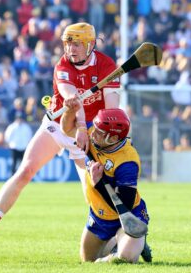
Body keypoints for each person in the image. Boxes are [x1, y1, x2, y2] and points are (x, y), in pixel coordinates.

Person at [0, 22, 121, 245]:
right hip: (57, 126)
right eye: (68, 44)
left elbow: (112, 109)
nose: (71, 49)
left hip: (89, 133)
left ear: (89, 45)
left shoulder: (107, 66)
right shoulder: (62, 66)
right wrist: (79, 127)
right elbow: (72, 99)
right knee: (25, 171)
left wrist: (96, 135)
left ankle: (121, 236)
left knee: (92, 191)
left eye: (77, 44)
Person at [60, 97, 151, 263]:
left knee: (127, 258)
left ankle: (132, 243)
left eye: (98, 133)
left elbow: (125, 206)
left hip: (129, 216)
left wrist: (99, 183)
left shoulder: (127, 161)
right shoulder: (95, 133)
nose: (92, 134)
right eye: (93, 129)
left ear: (113, 139)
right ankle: (117, 242)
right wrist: (70, 111)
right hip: (99, 215)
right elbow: (66, 128)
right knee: (87, 260)